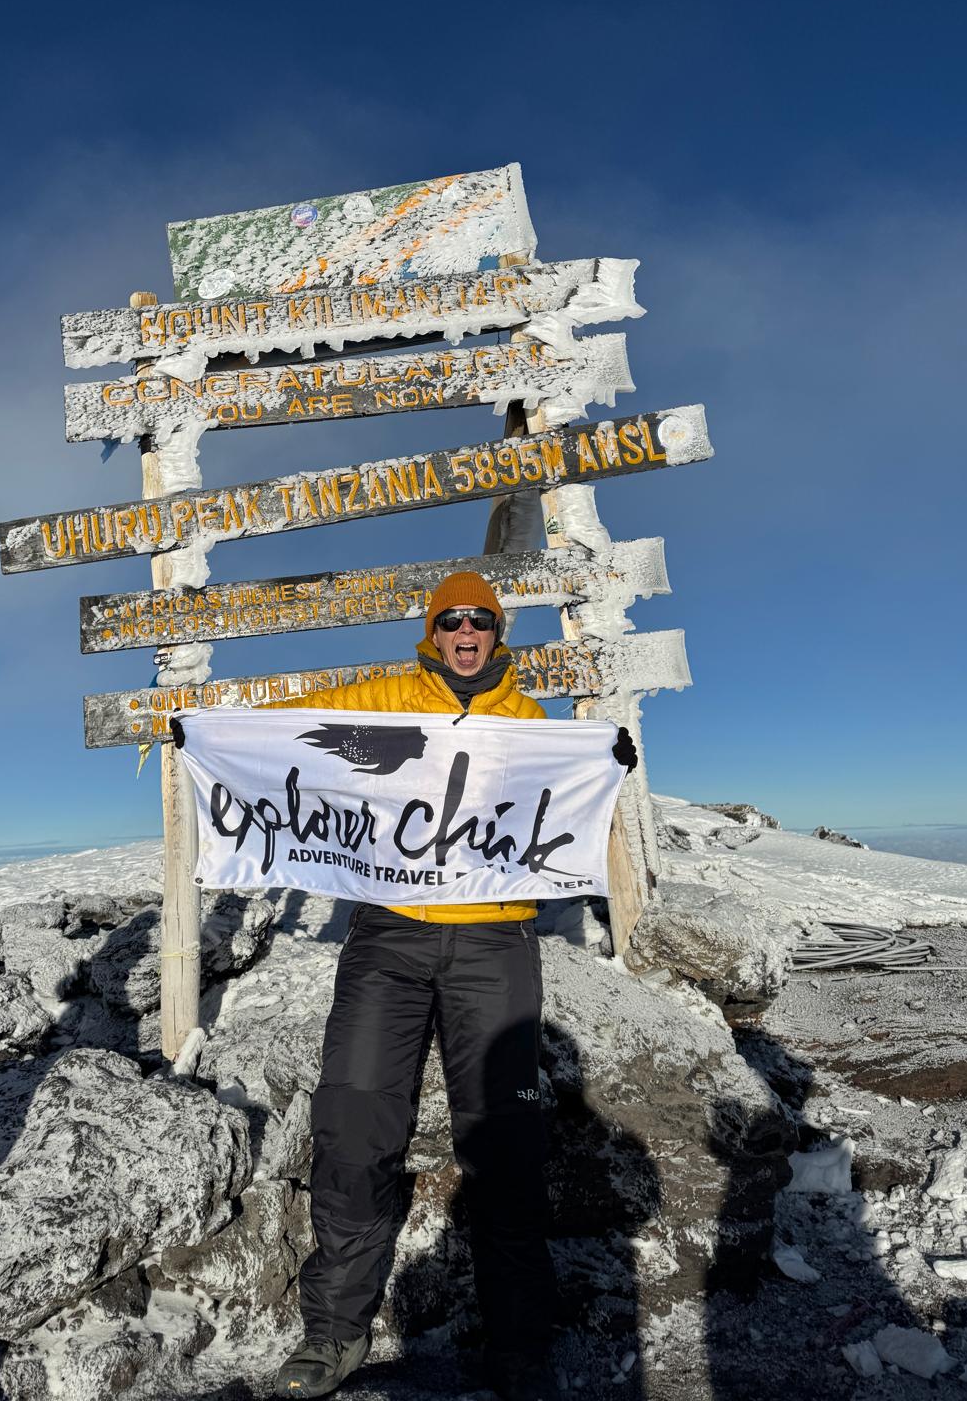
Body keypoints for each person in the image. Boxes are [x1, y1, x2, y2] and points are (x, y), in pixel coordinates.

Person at [257, 571, 637, 1401]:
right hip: (388, 936)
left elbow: (560, 804)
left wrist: (602, 763)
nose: (467, 632)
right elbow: (288, 737)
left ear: (498, 633)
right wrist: (205, 734)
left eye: (482, 621)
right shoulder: (385, 694)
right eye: (452, 620)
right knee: (354, 1125)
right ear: (434, 630)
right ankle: (335, 1333)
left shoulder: (530, 722)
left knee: (506, 1142)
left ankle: (519, 1346)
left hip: (495, 937)